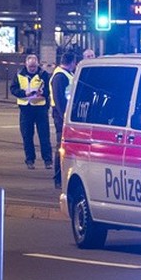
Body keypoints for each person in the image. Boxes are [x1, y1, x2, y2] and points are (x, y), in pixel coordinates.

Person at [9, 54, 51, 169]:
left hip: (40, 108)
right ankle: (30, 160)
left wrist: (43, 92)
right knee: (27, 136)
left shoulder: (43, 75)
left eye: (34, 66)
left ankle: (47, 160)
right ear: (26, 65)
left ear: (37, 64)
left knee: (44, 136)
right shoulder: (19, 74)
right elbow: (13, 89)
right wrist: (24, 93)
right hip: (26, 108)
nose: (32, 69)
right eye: (30, 67)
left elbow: (49, 89)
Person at [48, 51, 77, 188]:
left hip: (64, 114)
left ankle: (62, 177)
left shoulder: (66, 74)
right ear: (72, 62)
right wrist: (65, 117)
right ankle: (58, 178)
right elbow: (59, 99)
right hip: (61, 116)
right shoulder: (60, 76)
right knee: (61, 147)